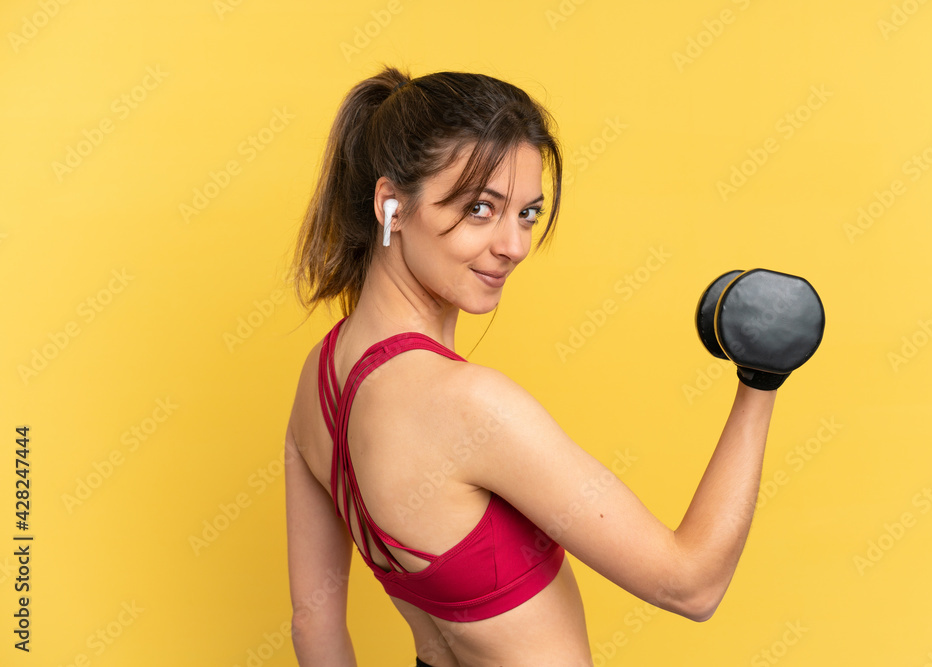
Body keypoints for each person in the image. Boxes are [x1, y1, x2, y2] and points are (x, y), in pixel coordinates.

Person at [283, 65, 777, 667]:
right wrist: (762, 376)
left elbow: (313, 626)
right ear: (392, 206)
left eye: (527, 214)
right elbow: (691, 584)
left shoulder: (319, 378)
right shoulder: (468, 404)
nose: (513, 246)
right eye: (481, 209)